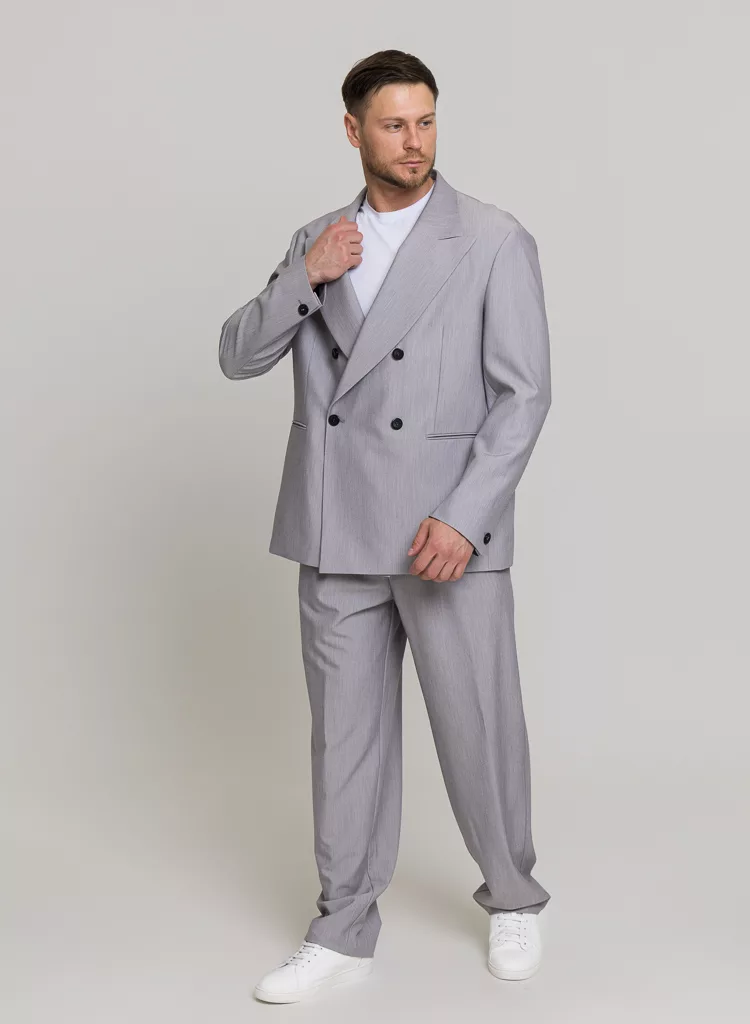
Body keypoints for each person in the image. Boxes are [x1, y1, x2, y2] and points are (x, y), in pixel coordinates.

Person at [219, 49, 553, 1004]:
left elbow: (523, 398)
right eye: (395, 124)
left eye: (427, 122)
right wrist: (306, 276)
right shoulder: (318, 238)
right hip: (336, 528)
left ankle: (515, 896)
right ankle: (342, 929)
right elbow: (237, 354)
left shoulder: (491, 239)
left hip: (443, 534)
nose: (415, 142)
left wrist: (466, 519)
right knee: (345, 743)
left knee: (479, 729)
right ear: (353, 130)